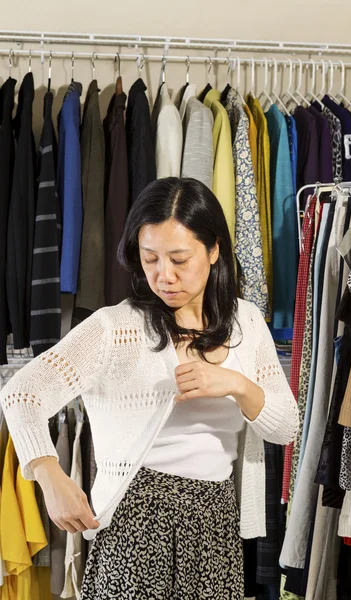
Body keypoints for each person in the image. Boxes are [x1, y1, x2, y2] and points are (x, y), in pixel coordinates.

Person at [0, 177, 298, 599]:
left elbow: (285, 428)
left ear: (214, 250)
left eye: (179, 258)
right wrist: (51, 476)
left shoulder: (246, 322)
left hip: (215, 520)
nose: (164, 275)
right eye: (150, 258)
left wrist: (235, 384)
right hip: (136, 517)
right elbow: (21, 393)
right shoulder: (114, 328)